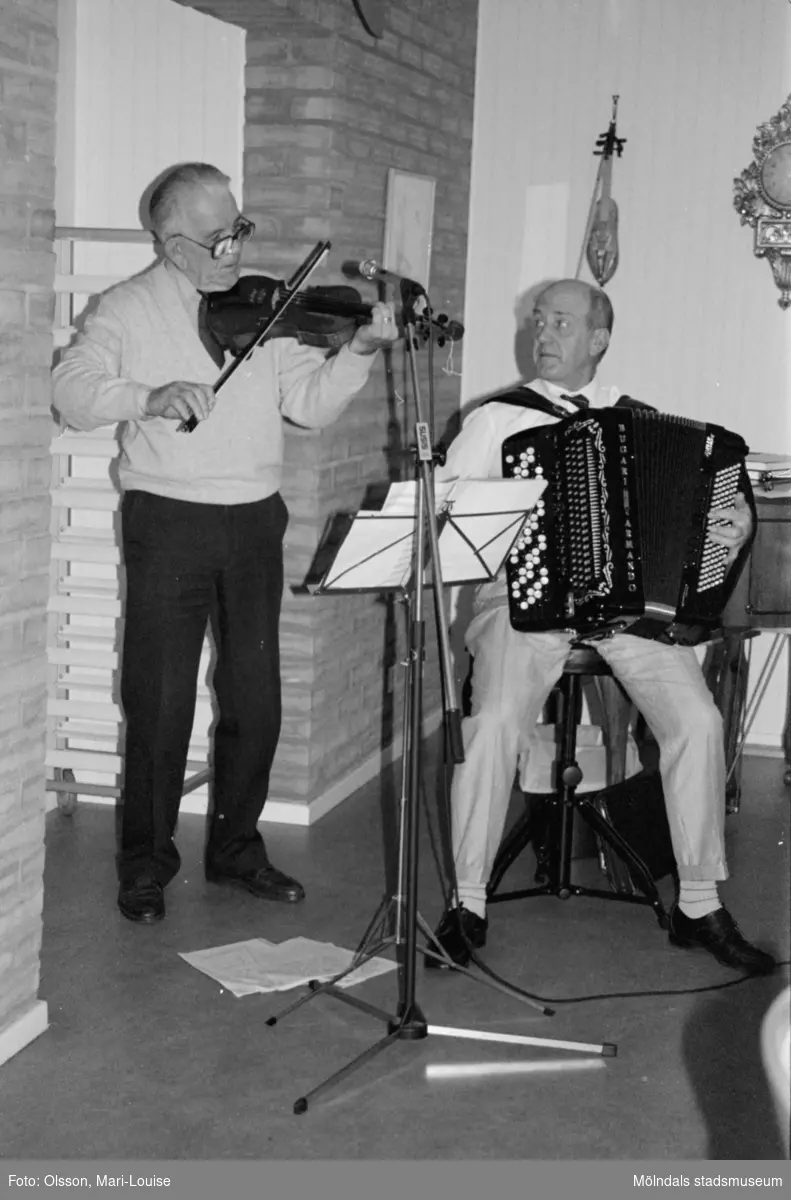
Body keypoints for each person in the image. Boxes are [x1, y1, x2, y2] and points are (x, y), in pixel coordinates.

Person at [52, 162, 399, 924]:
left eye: (239, 228)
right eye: (218, 237)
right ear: (172, 246)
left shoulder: (262, 309)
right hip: (168, 520)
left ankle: (237, 850)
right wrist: (145, 396)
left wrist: (357, 355)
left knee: (255, 697)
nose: (235, 248)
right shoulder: (126, 309)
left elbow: (306, 402)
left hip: (252, 521)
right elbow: (70, 392)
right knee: (161, 699)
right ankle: (144, 862)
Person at [426, 278, 775, 976]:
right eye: (537, 320)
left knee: (698, 723)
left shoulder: (634, 416)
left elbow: (706, 516)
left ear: (597, 339)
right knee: (491, 722)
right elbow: (449, 531)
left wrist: (734, 529)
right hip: (521, 604)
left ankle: (699, 903)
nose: (543, 333)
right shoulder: (496, 419)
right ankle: (466, 902)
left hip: (624, 615)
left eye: (560, 322)